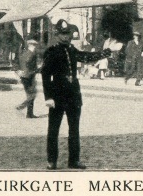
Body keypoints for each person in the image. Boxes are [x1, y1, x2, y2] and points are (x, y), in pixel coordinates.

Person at [41, 19, 111, 170]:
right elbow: (45, 75)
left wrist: (106, 52)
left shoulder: (72, 49)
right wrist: (48, 97)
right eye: (62, 34)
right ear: (57, 34)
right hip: (58, 95)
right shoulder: (52, 51)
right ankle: (52, 160)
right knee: (53, 129)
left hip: (73, 95)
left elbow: (86, 57)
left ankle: (74, 160)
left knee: (74, 129)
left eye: (67, 34)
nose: (66, 37)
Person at [16, 36, 40, 118]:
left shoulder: (24, 52)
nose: (35, 47)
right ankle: (21, 107)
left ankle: (29, 114)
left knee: (31, 94)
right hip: (28, 75)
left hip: (25, 75)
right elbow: (28, 62)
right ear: (31, 45)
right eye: (34, 46)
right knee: (32, 94)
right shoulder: (30, 53)